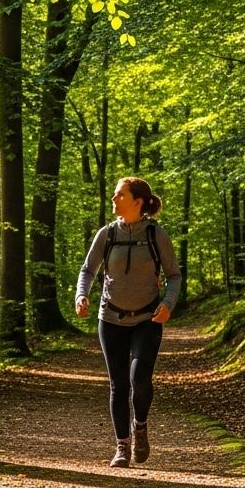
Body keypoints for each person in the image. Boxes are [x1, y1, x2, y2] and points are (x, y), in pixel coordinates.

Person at [75, 176, 182, 468]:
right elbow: (87, 271)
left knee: (139, 379)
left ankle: (141, 427)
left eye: (119, 195)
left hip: (148, 318)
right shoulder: (107, 234)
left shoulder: (155, 234)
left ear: (137, 201)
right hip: (110, 318)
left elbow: (174, 276)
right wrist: (81, 296)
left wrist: (167, 305)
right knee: (118, 385)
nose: (113, 199)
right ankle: (122, 447)